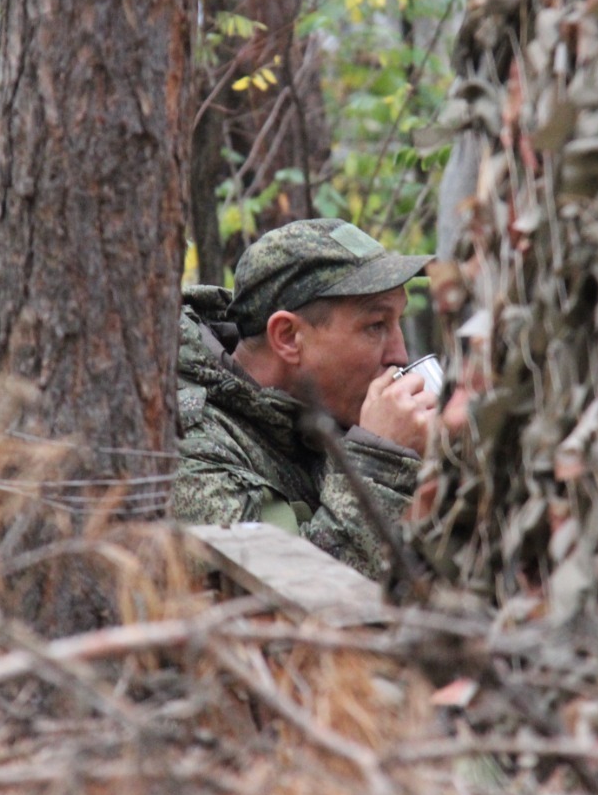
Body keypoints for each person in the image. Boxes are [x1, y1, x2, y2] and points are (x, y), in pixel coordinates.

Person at [171, 218, 438, 579]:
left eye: (397, 323)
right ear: (287, 337)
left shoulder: (328, 406)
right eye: (375, 326)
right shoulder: (188, 445)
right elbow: (295, 604)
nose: (400, 355)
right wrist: (380, 465)